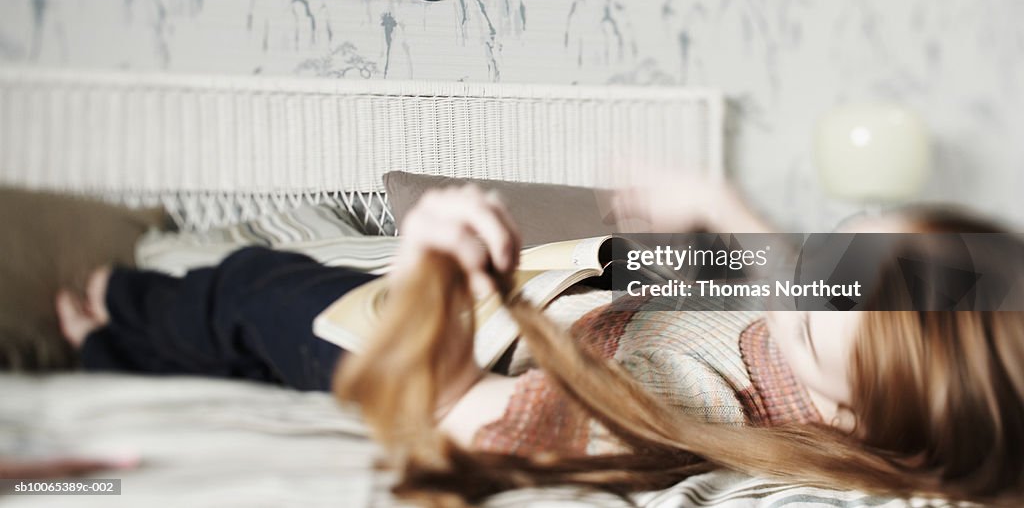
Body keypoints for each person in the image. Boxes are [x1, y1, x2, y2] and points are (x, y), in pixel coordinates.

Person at [55, 178, 1024, 505]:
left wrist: (434, 268)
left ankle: (109, 323)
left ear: (847, 411)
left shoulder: (688, 411)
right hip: (542, 301)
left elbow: (456, 419)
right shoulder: (827, 334)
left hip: (455, 351)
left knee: (266, 293)